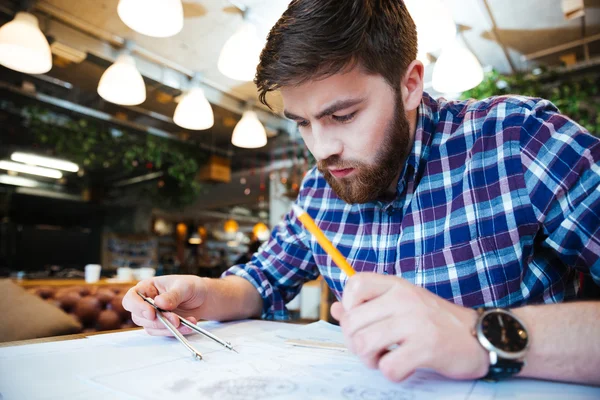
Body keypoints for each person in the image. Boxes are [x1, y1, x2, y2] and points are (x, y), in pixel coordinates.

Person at [123, 0, 600, 385]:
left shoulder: (517, 140)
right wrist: (200, 293)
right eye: (303, 124)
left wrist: (478, 337)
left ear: (410, 84)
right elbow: (261, 281)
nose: (323, 149)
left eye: (344, 115)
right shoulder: (320, 188)